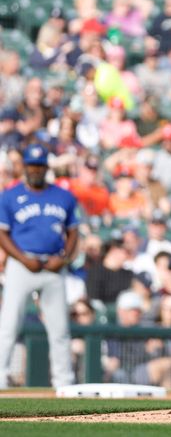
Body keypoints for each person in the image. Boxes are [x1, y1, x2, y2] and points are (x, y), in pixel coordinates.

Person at [0, 144, 79, 389]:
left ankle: (63, 383)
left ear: (46, 167)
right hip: (22, 265)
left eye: (39, 166)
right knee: (9, 325)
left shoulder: (63, 196)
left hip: (53, 266)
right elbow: (2, 234)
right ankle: (0, 379)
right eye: (31, 165)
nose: (35, 170)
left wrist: (64, 257)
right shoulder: (9, 196)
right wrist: (23, 259)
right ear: (24, 167)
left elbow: (73, 231)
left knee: (59, 329)